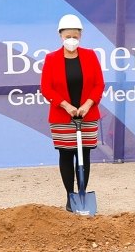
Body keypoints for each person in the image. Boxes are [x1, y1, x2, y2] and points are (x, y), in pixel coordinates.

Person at [40, 13, 104, 210]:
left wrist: (86, 105)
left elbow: (99, 84)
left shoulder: (90, 55)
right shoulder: (51, 59)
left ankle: (83, 193)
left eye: (75, 36)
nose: (71, 40)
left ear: (80, 36)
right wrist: (66, 105)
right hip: (61, 116)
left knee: (83, 155)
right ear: (60, 36)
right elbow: (46, 87)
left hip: (87, 115)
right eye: (68, 36)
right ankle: (70, 196)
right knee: (66, 155)